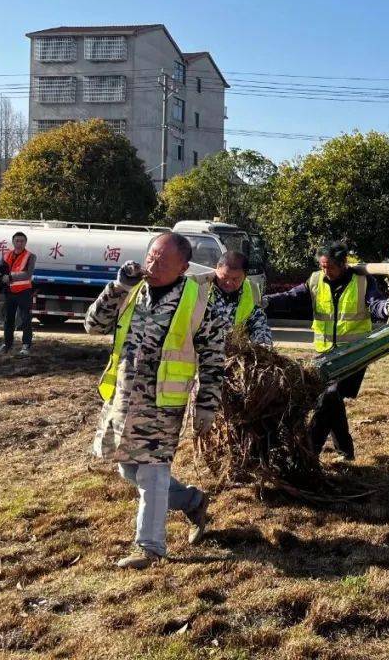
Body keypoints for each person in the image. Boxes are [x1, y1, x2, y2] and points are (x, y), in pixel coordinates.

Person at [85, 232, 229, 569]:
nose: (153, 265)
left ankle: (150, 547)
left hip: (162, 403)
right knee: (128, 468)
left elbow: (213, 358)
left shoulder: (199, 302)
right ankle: (193, 501)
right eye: (151, 257)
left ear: (183, 267)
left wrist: (207, 404)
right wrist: (118, 287)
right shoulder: (130, 289)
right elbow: (93, 325)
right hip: (123, 399)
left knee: (153, 472)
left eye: (163, 262)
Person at [265, 241, 385, 461]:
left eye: (329, 267)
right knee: (332, 399)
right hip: (325, 355)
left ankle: (310, 452)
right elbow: (292, 297)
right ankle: (345, 451)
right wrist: (266, 302)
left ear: (343, 264)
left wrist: (386, 308)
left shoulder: (362, 281)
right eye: (322, 266)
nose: (325, 271)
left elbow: (376, 303)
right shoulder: (315, 280)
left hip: (354, 354)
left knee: (328, 396)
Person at [209, 251, 272, 345]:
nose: (228, 283)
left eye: (235, 279)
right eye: (224, 277)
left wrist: (262, 344)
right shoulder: (202, 286)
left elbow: (259, 324)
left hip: (232, 350)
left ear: (245, 276)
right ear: (217, 268)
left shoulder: (252, 290)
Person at [0, 231, 37, 355]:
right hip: (9, 292)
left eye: (22, 241)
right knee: (8, 319)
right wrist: (0, 276)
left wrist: (10, 277)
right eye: (17, 240)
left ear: (25, 242)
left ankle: (26, 346)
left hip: (24, 292)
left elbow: (28, 274)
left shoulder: (30, 256)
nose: (19, 243)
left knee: (25, 319)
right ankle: (7, 345)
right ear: (13, 241)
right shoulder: (6, 255)